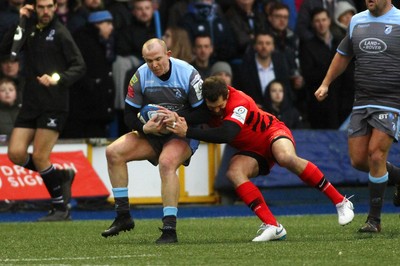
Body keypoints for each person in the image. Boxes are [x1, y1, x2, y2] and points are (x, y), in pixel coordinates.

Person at [167, 76, 354, 241]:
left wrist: (188, 132)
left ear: (227, 95)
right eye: (212, 107)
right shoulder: (208, 105)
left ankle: (341, 201)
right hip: (251, 148)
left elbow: (227, 134)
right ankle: (273, 226)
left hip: (272, 132)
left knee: (285, 157)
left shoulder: (238, 101)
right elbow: (194, 115)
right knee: (234, 172)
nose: (216, 111)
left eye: (220, 107)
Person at [101, 38, 207, 244]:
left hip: (182, 133)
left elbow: (204, 112)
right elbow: (129, 113)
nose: (154, 65)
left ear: (168, 54)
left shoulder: (189, 73)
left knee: (167, 163)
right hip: (153, 133)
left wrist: (178, 118)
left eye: (158, 59)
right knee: (113, 152)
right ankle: (123, 216)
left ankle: (169, 230)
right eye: (149, 61)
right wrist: (143, 127)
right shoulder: (140, 75)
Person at [314, 0, 400, 233]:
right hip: (362, 101)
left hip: (392, 101)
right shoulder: (357, 21)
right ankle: (398, 177)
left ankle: (374, 220)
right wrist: (325, 83)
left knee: (376, 154)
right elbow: (343, 55)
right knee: (359, 160)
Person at [0, 0, 86, 221]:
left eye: (49, 6)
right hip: (31, 102)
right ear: (34, 8)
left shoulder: (60, 32)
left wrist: (57, 79)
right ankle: (60, 175)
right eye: (41, 7)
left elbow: (79, 66)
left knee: (40, 156)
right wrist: (20, 19)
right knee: (15, 154)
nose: (45, 11)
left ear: (55, 7)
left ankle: (60, 208)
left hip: (54, 104)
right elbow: (7, 49)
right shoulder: (29, 28)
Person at [62, 10, 116, 138]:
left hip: (96, 112)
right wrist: (92, 85)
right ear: (97, 24)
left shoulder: (103, 43)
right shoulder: (84, 42)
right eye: (107, 23)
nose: (111, 27)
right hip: (86, 112)